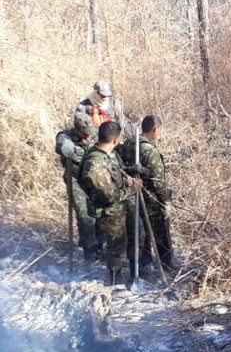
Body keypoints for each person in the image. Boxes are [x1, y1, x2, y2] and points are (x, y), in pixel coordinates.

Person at [79, 121, 143, 286]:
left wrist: (129, 180)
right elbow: (109, 196)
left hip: (123, 206)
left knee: (136, 235)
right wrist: (132, 189)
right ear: (115, 139)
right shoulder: (95, 164)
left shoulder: (110, 155)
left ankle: (135, 272)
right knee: (116, 247)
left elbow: (118, 174)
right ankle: (116, 280)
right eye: (120, 137)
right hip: (110, 212)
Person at [119, 115, 174, 270]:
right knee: (160, 233)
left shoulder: (128, 144)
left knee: (140, 232)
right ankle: (165, 265)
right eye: (159, 131)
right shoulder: (149, 150)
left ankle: (144, 263)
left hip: (131, 196)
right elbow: (158, 181)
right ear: (155, 129)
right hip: (150, 199)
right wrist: (165, 201)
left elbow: (119, 163)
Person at [56, 112, 101, 261]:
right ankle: (89, 250)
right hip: (76, 180)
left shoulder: (94, 134)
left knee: (99, 213)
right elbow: (60, 145)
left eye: (89, 133)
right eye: (84, 134)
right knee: (84, 215)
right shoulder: (65, 136)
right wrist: (66, 148)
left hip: (94, 179)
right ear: (76, 129)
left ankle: (100, 246)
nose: (88, 137)